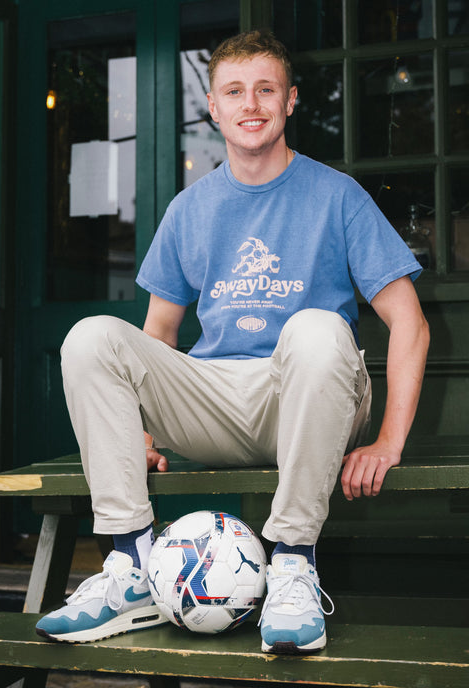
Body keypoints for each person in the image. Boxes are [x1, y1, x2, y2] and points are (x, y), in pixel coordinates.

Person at [35, 29, 429, 654]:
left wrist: (389, 441)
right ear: (214, 108)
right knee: (90, 338)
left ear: (290, 100)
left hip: (305, 395)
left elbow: (409, 321)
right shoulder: (190, 208)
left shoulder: (337, 195)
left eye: (266, 89)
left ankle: (294, 564)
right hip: (216, 400)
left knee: (318, 327)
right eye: (235, 92)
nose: (252, 104)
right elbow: (158, 336)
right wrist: (137, 428)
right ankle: (132, 566)